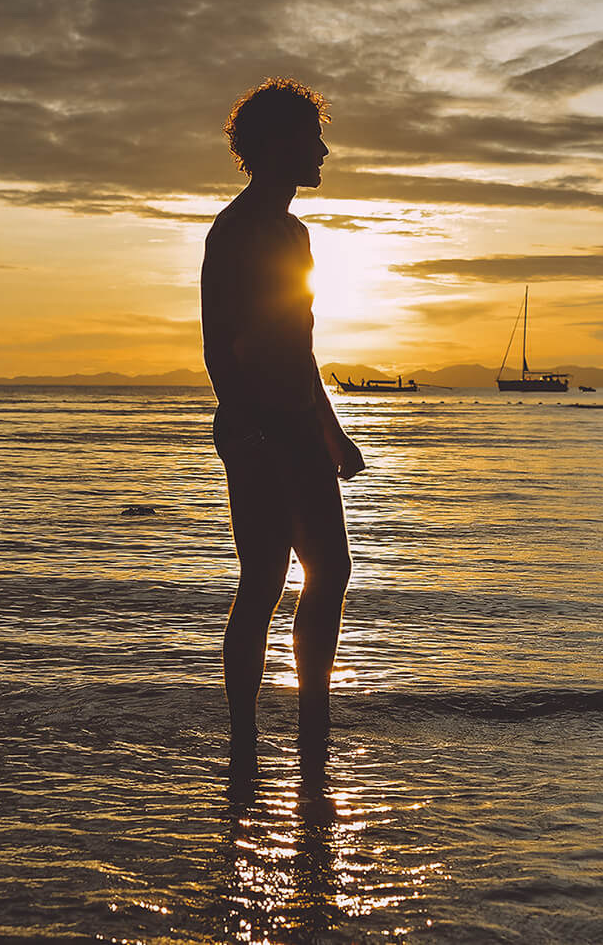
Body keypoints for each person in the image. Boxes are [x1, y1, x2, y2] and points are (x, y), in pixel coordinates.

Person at [201, 78, 365, 765]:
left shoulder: (293, 232)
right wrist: (250, 430)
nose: (323, 150)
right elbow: (219, 343)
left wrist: (332, 430)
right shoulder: (237, 230)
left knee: (326, 573)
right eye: (311, 138)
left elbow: (298, 346)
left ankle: (311, 732)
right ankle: (246, 741)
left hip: (297, 424)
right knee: (266, 581)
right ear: (277, 146)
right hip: (259, 427)